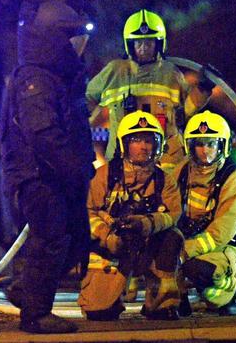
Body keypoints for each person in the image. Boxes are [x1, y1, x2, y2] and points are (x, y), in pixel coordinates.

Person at [0, 0, 95, 333]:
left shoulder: (58, 78)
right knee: (51, 236)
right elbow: (44, 135)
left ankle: (26, 290)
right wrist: (74, 171)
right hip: (37, 176)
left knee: (77, 238)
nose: (78, 48)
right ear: (55, 40)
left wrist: (83, 169)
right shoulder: (36, 81)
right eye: (72, 40)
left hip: (57, 175)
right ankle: (36, 315)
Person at [78, 111, 183, 321]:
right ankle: (110, 296)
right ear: (124, 144)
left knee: (172, 237)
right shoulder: (104, 176)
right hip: (112, 247)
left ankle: (161, 301)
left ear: (158, 145)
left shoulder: (164, 180)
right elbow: (86, 212)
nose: (143, 146)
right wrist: (108, 236)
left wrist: (147, 223)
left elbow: (173, 214)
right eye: (136, 140)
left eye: (148, 140)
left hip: (147, 244)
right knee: (100, 312)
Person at [86, 9, 215, 173]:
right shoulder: (115, 72)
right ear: (129, 45)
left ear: (159, 44)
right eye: (138, 43)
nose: (143, 48)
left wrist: (203, 88)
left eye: (149, 43)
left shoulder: (171, 74)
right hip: (123, 163)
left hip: (166, 162)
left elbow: (184, 112)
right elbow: (85, 101)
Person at [173, 111, 236, 316]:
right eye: (200, 144)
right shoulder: (181, 172)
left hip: (227, 247)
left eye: (212, 144)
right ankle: (176, 297)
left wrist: (183, 252)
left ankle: (230, 290)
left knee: (199, 272)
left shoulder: (232, 179)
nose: (205, 151)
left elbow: (222, 232)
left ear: (223, 146)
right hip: (192, 242)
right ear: (190, 146)